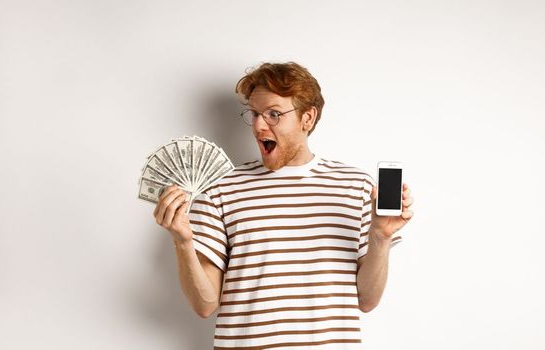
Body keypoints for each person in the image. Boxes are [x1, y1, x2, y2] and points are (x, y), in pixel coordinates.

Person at [152, 61, 415, 349]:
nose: (258, 125)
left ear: (308, 118)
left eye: (273, 114)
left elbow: (367, 300)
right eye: (253, 114)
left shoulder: (356, 186)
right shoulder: (221, 188)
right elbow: (204, 305)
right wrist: (182, 241)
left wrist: (380, 237)